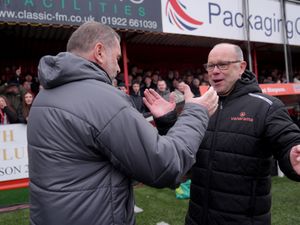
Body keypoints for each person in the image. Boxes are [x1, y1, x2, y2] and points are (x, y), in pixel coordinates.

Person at [27, 21, 219, 225]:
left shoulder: (44, 95)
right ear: (99, 52)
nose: (119, 67)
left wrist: (166, 121)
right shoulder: (101, 97)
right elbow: (164, 165)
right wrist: (196, 112)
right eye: (117, 58)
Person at [148, 43, 300, 225]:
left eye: (223, 65)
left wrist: (292, 154)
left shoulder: (266, 106)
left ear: (241, 67)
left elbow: (287, 139)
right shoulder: (202, 106)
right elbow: (184, 157)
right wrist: (167, 121)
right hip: (196, 219)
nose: (215, 71)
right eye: (210, 65)